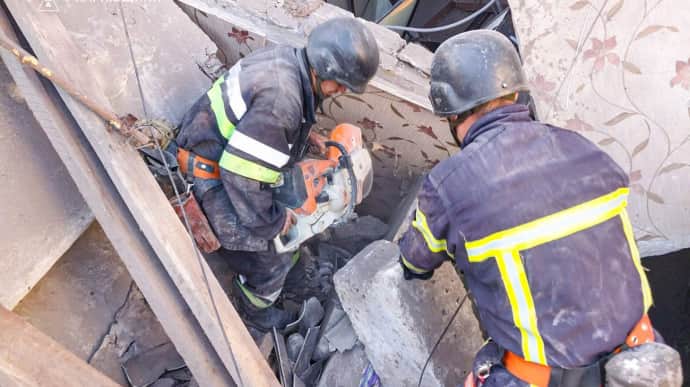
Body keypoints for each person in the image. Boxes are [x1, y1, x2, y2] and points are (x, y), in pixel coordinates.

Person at [398, 30, 656, 386]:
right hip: (642, 362)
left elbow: (415, 262)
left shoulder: (449, 184)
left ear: (450, 112)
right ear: (516, 92)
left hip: (543, 378)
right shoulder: (582, 148)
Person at [173, 17, 379, 332]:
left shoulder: (288, 60)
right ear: (331, 76)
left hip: (216, 146)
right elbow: (240, 177)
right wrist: (273, 222)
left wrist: (304, 135)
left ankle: (291, 274)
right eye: (341, 85)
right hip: (209, 177)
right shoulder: (281, 103)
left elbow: (262, 120)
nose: (340, 92)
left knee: (290, 226)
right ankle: (254, 307)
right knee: (272, 250)